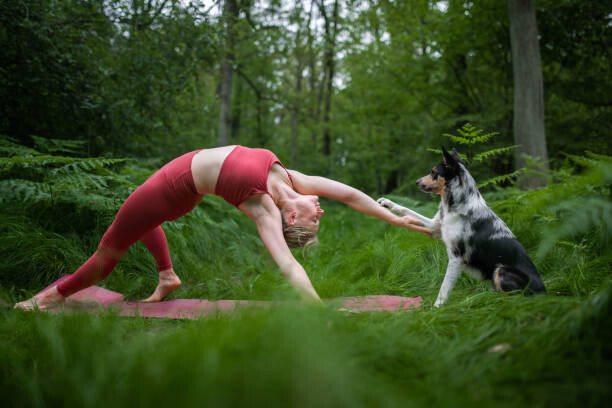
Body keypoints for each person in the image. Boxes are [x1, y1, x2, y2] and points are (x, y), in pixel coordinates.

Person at [14, 145, 431, 310]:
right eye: (318, 218)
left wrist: (317, 309)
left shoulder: (266, 210)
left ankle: (51, 297)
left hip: (171, 187)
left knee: (108, 249)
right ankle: (167, 275)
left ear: (290, 219)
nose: (321, 212)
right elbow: (352, 196)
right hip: (177, 187)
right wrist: (396, 217)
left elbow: (288, 265)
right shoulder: (293, 181)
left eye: (313, 221)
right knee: (142, 222)